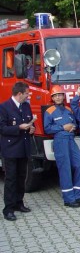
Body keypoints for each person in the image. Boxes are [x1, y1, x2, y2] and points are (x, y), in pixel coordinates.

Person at [44, 85, 80, 207]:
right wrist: (63, 127)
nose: (58, 97)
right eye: (55, 95)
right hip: (60, 141)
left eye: (60, 95)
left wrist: (73, 127)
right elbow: (47, 129)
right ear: (52, 97)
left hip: (71, 140)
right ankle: (68, 199)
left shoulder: (69, 110)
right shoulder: (49, 111)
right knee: (65, 169)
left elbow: (75, 123)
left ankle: (78, 195)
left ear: (63, 96)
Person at [0, 82, 36, 221]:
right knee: (11, 179)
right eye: (27, 93)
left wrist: (31, 129)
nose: (28, 96)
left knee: (21, 177)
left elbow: (29, 123)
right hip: (10, 149)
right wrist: (19, 128)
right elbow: (2, 128)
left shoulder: (26, 106)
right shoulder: (4, 107)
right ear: (19, 94)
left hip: (24, 147)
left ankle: (18, 203)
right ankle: (8, 209)